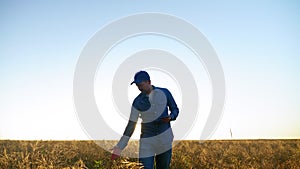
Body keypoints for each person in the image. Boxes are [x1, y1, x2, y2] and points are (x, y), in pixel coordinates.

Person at [111, 70, 179, 169]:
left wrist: (171, 117)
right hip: (147, 142)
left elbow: (175, 109)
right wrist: (120, 147)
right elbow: (131, 125)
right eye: (137, 85)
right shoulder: (137, 102)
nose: (139, 88)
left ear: (149, 82)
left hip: (164, 141)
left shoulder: (165, 93)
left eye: (141, 85)